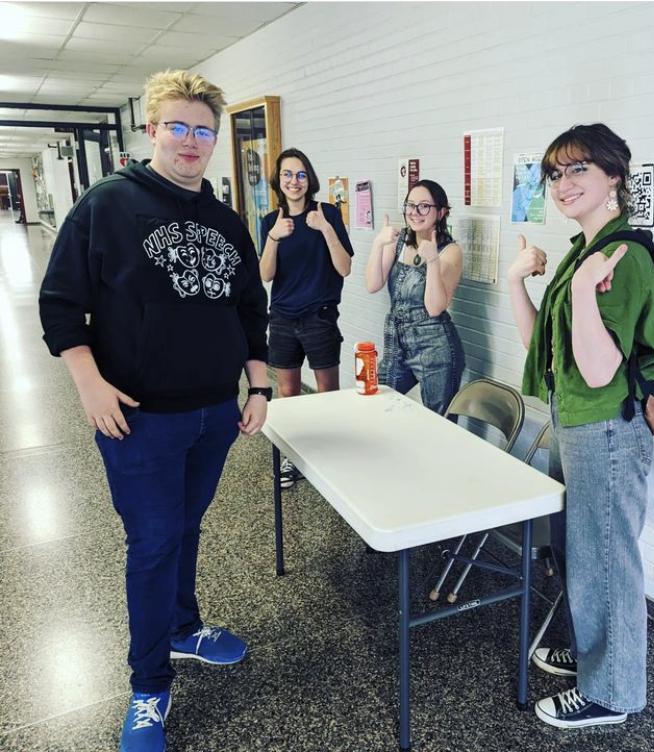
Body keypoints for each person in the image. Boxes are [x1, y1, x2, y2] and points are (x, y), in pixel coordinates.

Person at [38, 70, 271, 752]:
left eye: (203, 130)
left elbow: (249, 308)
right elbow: (60, 302)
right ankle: (148, 686)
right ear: (152, 130)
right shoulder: (108, 204)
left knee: (185, 526)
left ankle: (182, 627)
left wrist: (258, 387)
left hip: (213, 412)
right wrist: (88, 382)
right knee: (153, 541)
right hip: (139, 417)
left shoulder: (226, 220)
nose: (191, 141)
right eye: (178, 127)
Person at [507, 123, 654, 729]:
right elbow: (543, 351)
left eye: (579, 169)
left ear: (614, 177)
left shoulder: (622, 258)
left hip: (606, 430)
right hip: (575, 423)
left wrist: (578, 289)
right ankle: (595, 655)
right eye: (556, 173)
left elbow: (600, 372)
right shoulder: (583, 251)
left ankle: (611, 693)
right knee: (579, 551)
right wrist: (516, 281)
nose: (563, 183)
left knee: (605, 558)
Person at [259, 148, 353, 488]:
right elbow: (265, 274)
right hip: (283, 318)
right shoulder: (271, 222)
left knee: (328, 392)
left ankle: (331, 456)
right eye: (287, 174)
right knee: (288, 392)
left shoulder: (327, 213)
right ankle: (295, 456)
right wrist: (274, 237)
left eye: (300, 174)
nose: (294, 181)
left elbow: (344, 267)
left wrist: (325, 229)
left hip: (319, 316)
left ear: (308, 179)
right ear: (278, 180)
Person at [365, 179, 465, 415]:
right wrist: (378, 244)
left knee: (438, 423)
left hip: (435, 349)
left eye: (424, 206)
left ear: (441, 212)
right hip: (397, 343)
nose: (415, 212)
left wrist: (432, 261)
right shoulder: (398, 241)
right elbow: (373, 284)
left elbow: (434, 307)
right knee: (375, 403)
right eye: (410, 205)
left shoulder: (450, 251)